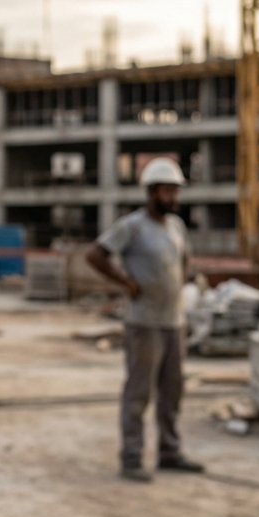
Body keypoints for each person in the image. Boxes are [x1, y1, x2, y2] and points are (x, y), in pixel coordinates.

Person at [86, 158, 204, 482]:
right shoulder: (132, 226)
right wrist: (126, 283)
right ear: (151, 192)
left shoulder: (176, 227)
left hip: (173, 322)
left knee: (172, 392)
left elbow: (185, 260)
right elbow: (95, 254)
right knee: (139, 392)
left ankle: (170, 451)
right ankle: (132, 456)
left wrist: (184, 282)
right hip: (144, 323)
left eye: (175, 192)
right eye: (168, 192)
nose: (173, 198)